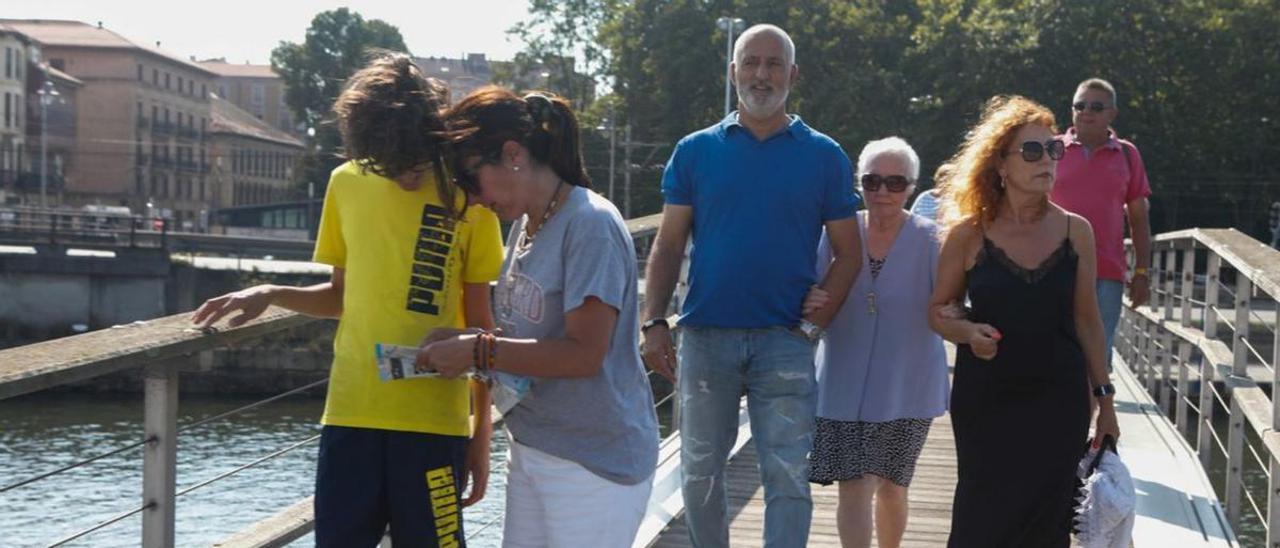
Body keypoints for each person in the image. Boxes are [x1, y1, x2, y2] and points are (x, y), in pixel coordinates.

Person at [191, 53, 503, 547]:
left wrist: (479, 437)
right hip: (350, 416)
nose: (402, 174)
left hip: (436, 425)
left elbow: (483, 333)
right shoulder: (346, 183)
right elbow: (340, 295)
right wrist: (270, 292)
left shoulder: (468, 200)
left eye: (410, 157)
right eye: (388, 160)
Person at [640, 24, 862, 548]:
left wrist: (815, 323)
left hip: (785, 338)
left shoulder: (825, 155)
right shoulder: (695, 152)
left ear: (793, 74)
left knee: (787, 477)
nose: (762, 74)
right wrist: (653, 323)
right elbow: (668, 246)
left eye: (774, 64)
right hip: (704, 336)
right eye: (752, 62)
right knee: (699, 475)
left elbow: (850, 253)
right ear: (733, 70)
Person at [419, 86, 659, 547]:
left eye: (471, 181)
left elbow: (584, 355)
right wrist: (465, 338)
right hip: (534, 446)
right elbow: (525, 339)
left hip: (592, 461)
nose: (471, 199)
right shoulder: (525, 226)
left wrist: (476, 349)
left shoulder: (590, 224)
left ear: (512, 155)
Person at [929, 95, 1120, 547]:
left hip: (1060, 400)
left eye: (1053, 149)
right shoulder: (968, 234)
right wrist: (967, 332)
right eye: (1032, 151)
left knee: (1048, 523)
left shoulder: (1077, 231)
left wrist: (1105, 402)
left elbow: (1089, 321)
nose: (1047, 160)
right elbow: (938, 310)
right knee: (981, 519)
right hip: (987, 400)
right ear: (1000, 164)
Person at [804, 137, 948, 548]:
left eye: (895, 182)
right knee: (854, 485)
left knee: (891, 485)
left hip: (908, 385)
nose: (883, 191)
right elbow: (811, 287)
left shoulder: (934, 239)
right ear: (859, 185)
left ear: (912, 187)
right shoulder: (837, 233)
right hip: (843, 382)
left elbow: (950, 303)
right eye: (872, 181)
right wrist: (810, 297)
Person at [1050, 78, 1153, 365]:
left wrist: (1142, 271)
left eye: (1096, 106)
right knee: (1053, 347)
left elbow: (1139, 219)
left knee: (1097, 354)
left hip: (1106, 270)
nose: (1086, 111)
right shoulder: (1051, 149)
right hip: (1051, 266)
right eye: (1079, 105)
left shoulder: (1128, 154)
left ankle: (1095, 408)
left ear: (1112, 114)